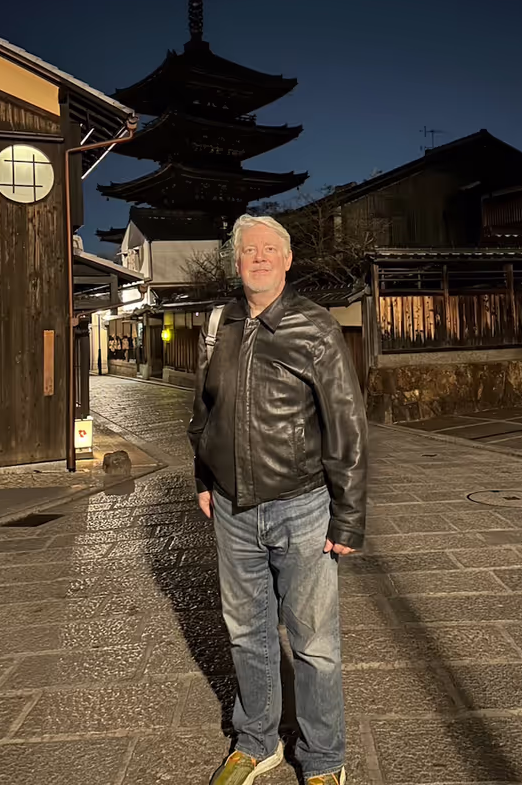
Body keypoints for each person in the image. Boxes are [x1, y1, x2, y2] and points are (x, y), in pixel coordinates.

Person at [189, 214, 367, 785]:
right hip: (233, 510)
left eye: (271, 249)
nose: (259, 258)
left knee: (315, 641)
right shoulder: (218, 324)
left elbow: (346, 425)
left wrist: (349, 516)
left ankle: (322, 759)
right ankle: (257, 741)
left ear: (288, 261)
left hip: (302, 503)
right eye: (249, 250)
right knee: (246, 632)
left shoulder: (315, 328)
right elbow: (205, 412)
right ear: (235, 261)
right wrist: (202, 477)